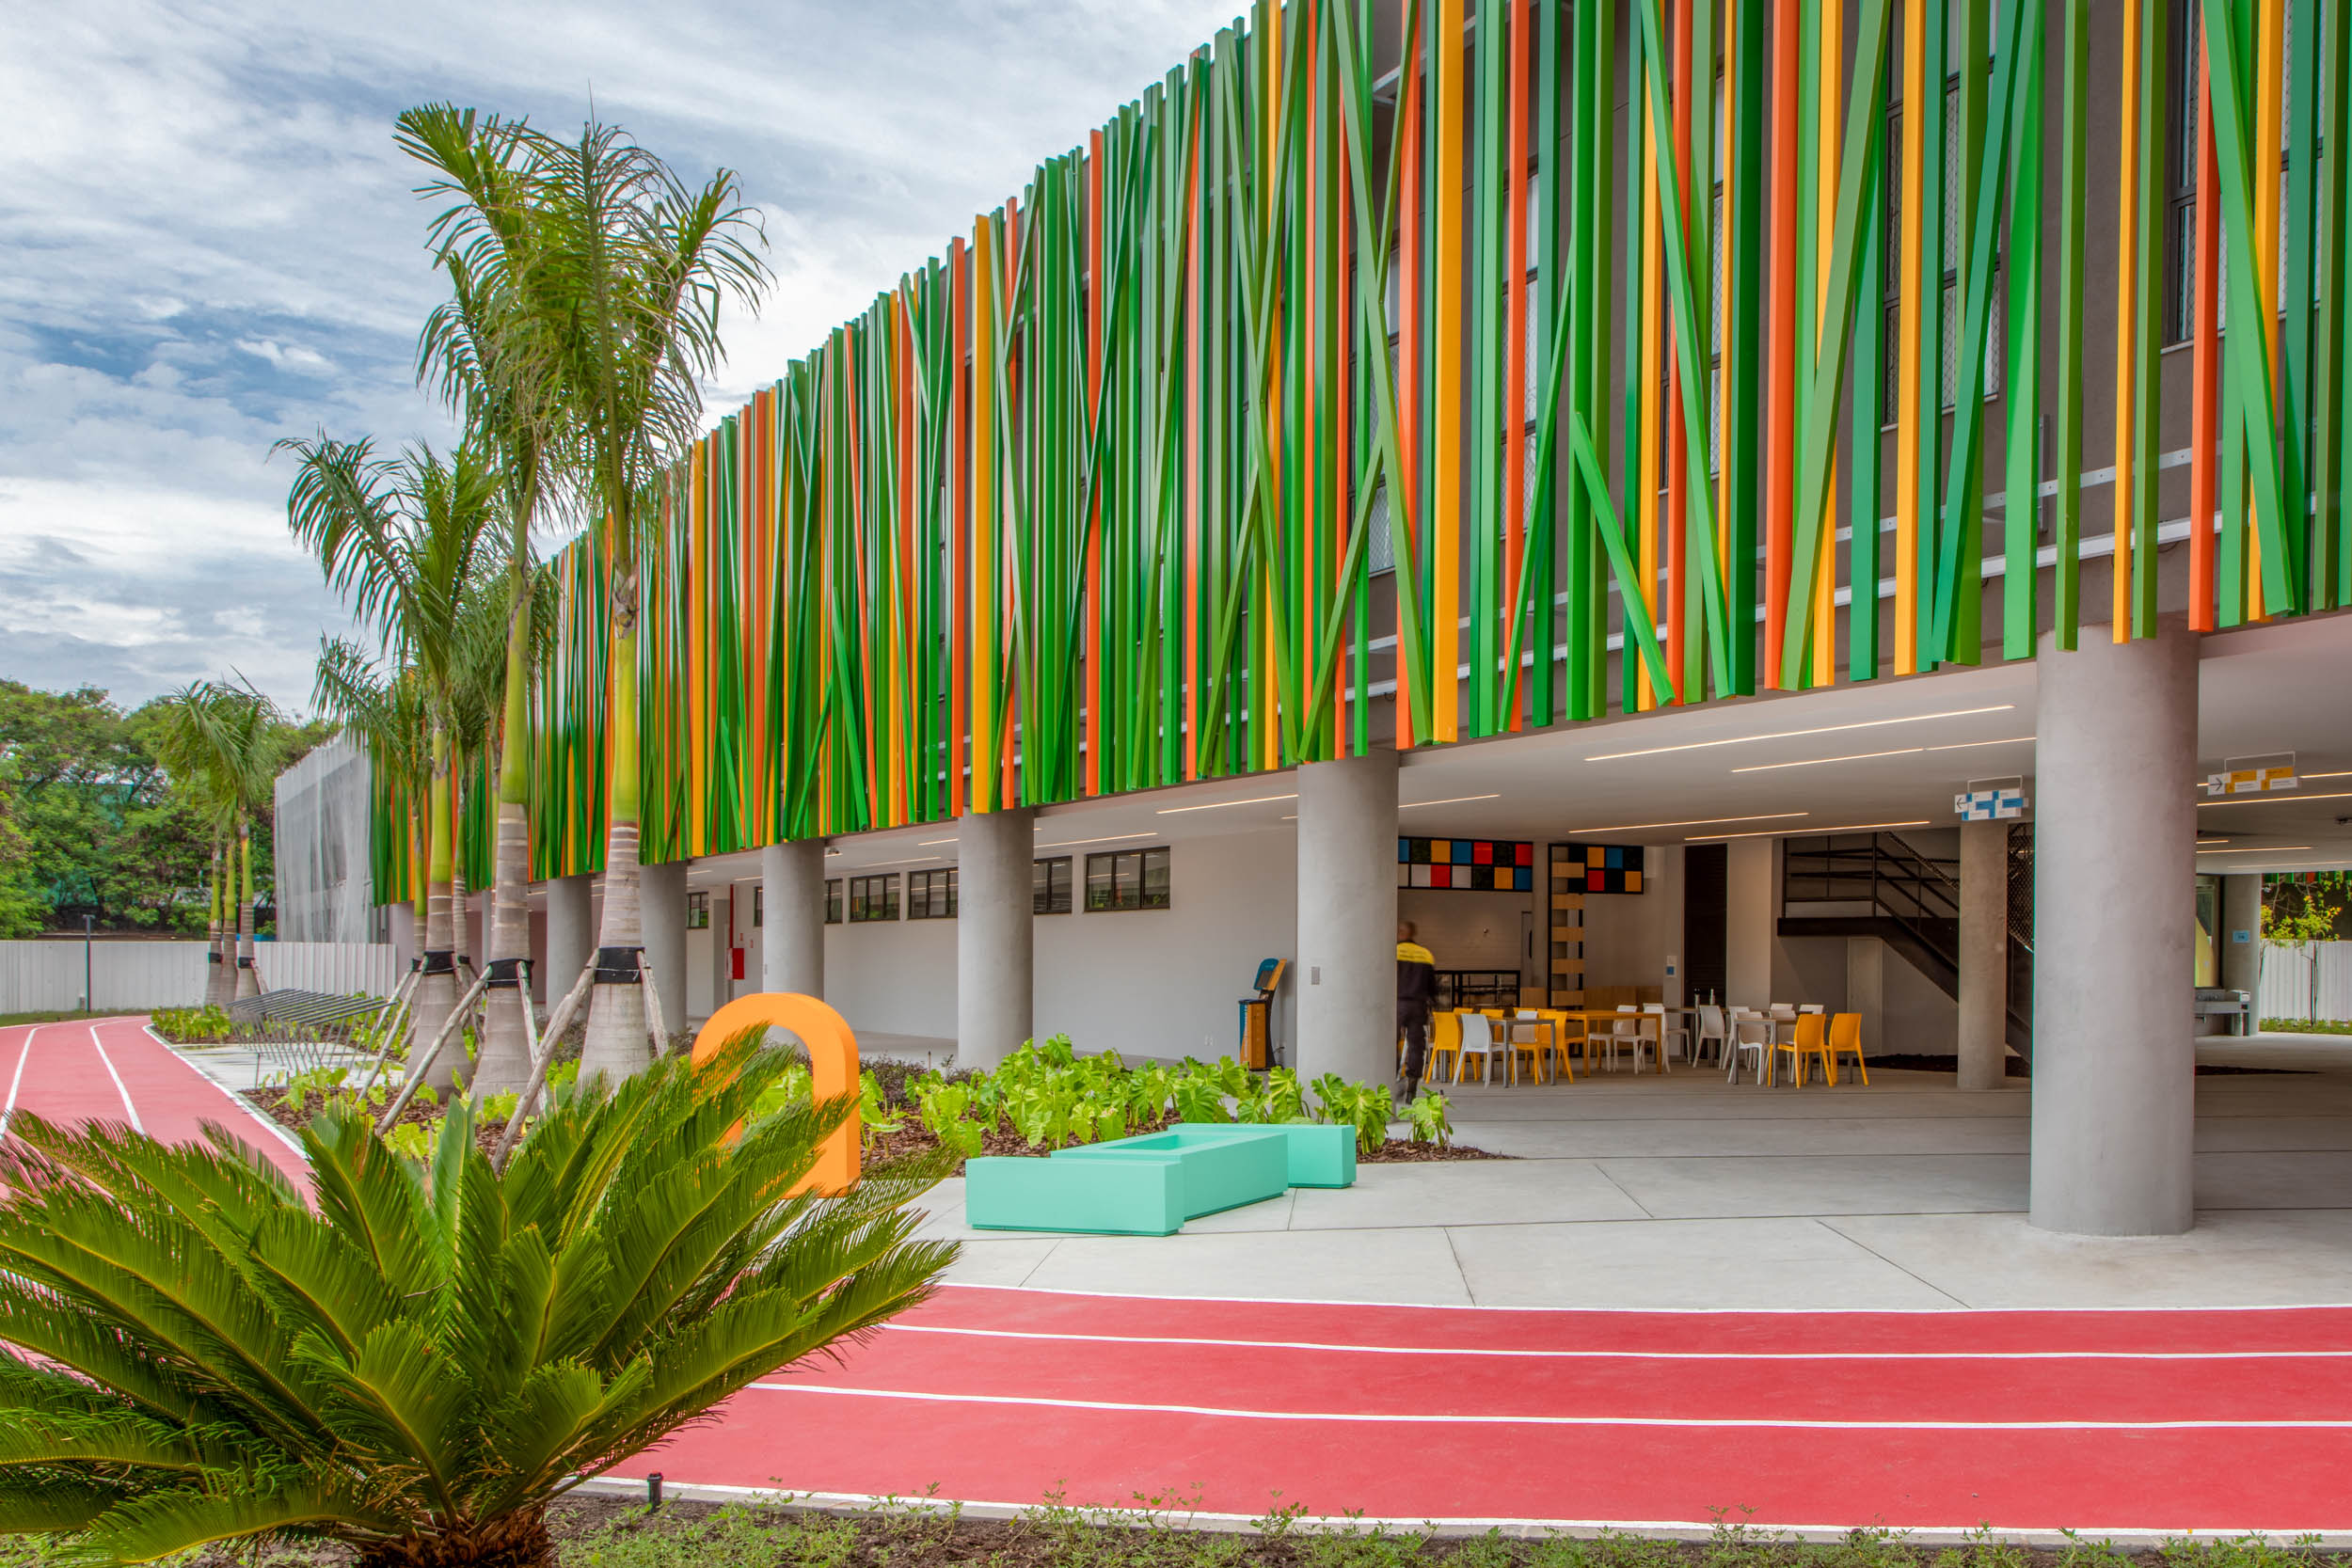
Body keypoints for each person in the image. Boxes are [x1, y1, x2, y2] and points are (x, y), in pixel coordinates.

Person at [1396, 921, 1438, 1101]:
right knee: (1416, 1046)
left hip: (1397, 1003)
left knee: (1390, 1041)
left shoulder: (1394, 951)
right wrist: (1433, 1004)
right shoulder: (1426, 954)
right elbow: (1432, 986)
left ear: (1401, 933)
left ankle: (1392, 1077)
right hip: (1418, 1006)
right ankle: (1412, 1085)